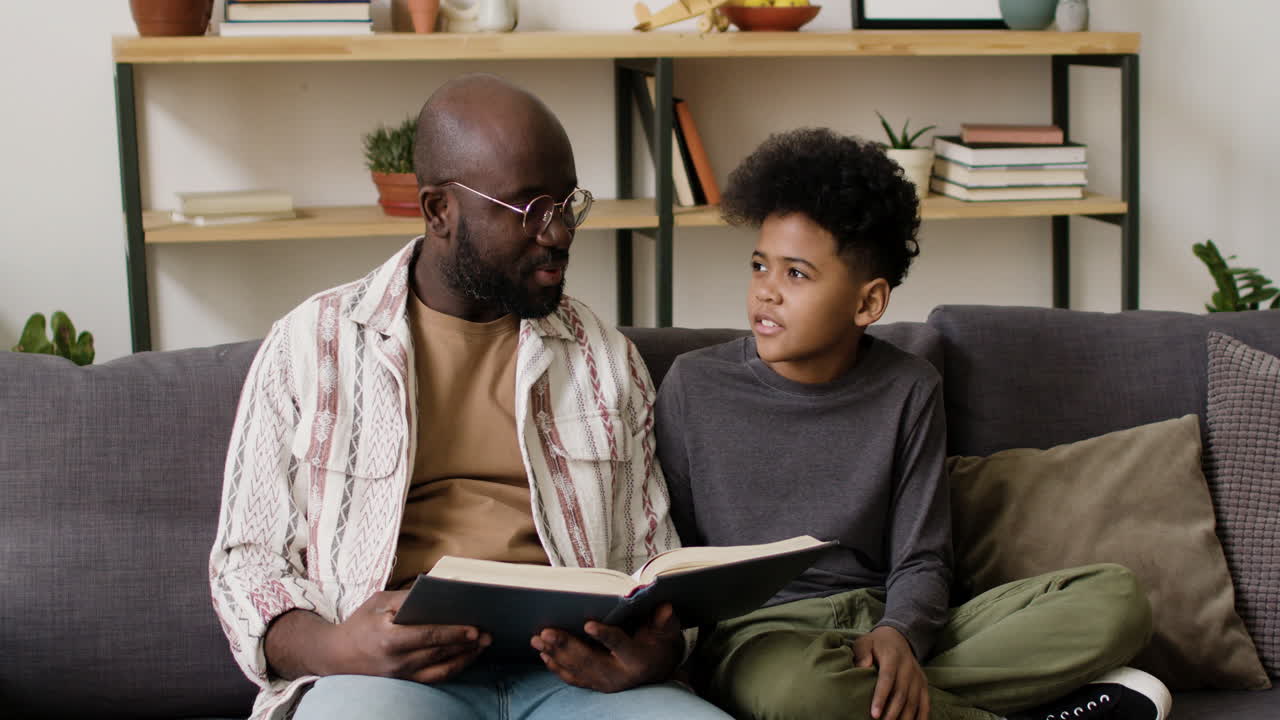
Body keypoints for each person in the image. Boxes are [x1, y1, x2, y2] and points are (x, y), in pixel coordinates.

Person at [209, 74, 731, 720]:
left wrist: (656, 653)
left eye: (568, 205)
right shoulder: (310, 346)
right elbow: (244, 565)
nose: (561, 233)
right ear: (438, 212)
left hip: (576, 680)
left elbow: (653, 559)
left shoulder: (605, 359)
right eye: (531, 210)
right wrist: (337, 646)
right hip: (390, 681)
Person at [654, 127, 1173, 720]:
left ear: (868, 303)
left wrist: (901, 631)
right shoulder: (694, 386)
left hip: (888, 625)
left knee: (1117, 598)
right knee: (799, 695)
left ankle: (892, 698)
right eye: (759, 265)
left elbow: (923, 556)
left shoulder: (909, 386)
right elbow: (672, 558)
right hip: (765, 643)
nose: (765, 292)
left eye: (796, 274)